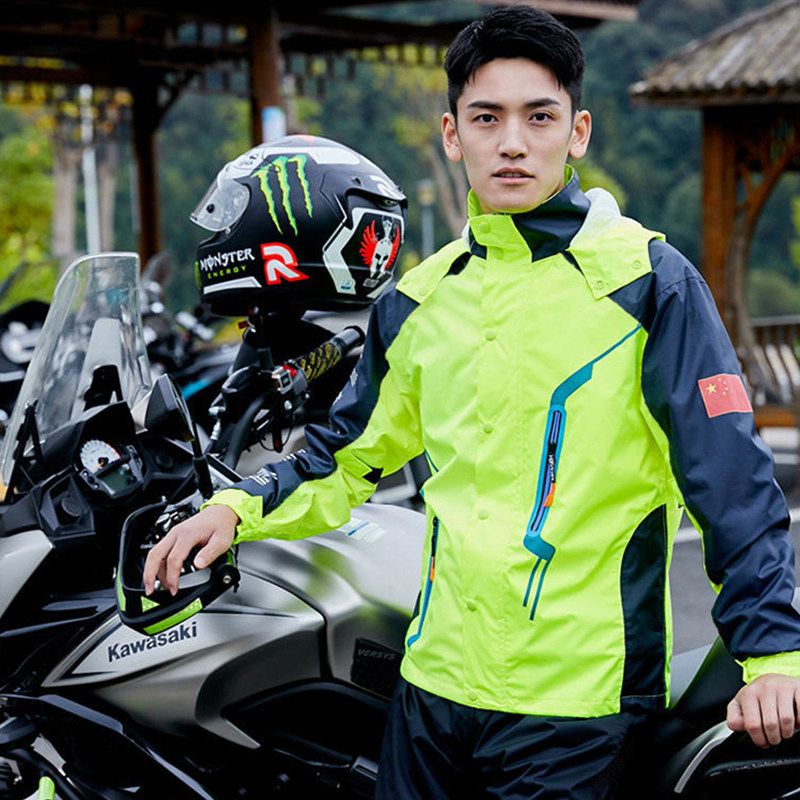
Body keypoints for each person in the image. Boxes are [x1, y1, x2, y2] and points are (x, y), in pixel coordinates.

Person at [144, 7, 800, 798]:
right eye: (487, 118)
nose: (513, 143)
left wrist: (771, 655)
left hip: (577, 707)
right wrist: (233, 511)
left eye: (539, 117)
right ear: (453, 135)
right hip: (434, 694)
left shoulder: (649, 283)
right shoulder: (421, 299)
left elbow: (729, 480)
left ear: (578, 132)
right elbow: (344, 458)